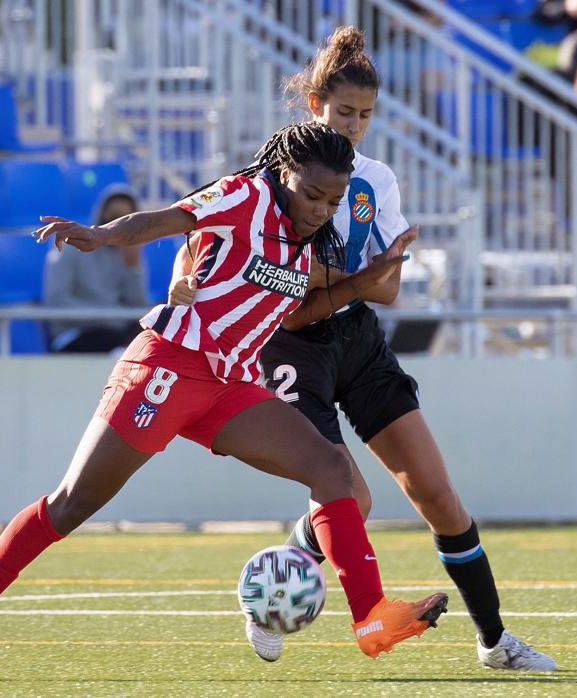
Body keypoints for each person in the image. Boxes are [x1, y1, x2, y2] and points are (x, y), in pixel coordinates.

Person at [0, 122, 446, 682]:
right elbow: (167, 220)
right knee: (72, 504)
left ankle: (371, 617)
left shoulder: (307, 237)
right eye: (312, 195)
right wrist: (105, 235)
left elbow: (303, 297)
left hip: (229, 384)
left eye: (332, 201)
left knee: (331, 468)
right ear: (286, 173)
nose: (320, 209)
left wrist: (369, 278)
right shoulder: (246, 195)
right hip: (167, 366)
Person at [168, 28, 557, 672]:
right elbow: (218, 240)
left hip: (359, 340)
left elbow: (392, 287)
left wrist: (344, 277)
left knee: (437, 494)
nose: (354, 125)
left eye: (366, 115)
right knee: (354, 498)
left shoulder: (375, 179)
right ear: (314, 103)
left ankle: (495, 643)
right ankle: (269, 599)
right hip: (292, 349)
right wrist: (194, 275)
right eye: (344, 111)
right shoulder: (271, 177)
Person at [42, 183, 148, 353]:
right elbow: (57, 299)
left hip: (115, 332)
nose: (119, 223)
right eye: (115, 216)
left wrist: (133, 269)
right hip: (76, 333)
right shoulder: (70, 245)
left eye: (127, 218)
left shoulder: (129, 253)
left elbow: (138, 306)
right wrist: (109, 317)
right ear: (102, 215)